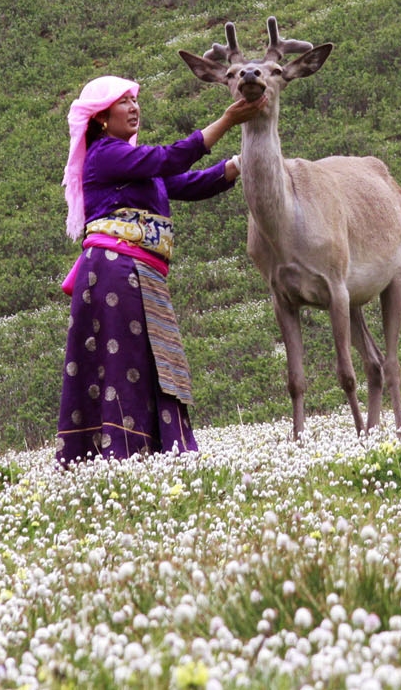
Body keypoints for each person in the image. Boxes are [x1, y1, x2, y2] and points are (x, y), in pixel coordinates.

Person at [56, 75, 263, 464]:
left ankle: (150, 453)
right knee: (127, 362)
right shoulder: (107, 155)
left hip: (138, 273)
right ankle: (126, 453)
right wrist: (226, 122)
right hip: (117, 271)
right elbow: (172, 158)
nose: (134, 108)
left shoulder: (133, 164)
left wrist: (240, 163)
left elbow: (189, 181)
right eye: (124, 103)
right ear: (101, 117)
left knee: (148, 362)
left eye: (135, 101)